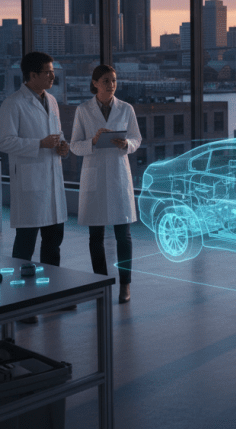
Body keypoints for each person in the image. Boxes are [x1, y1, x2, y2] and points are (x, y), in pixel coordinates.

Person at [0, 52, 69, 319]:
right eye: (48, 72)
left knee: (53, 242)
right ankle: (21, 303)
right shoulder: (13, 104)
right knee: (25, 246)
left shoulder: (52, 101)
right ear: (32, 75)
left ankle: (52, 297)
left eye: (52, 72)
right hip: (30, 182)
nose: (52, 76)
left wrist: (62, 147)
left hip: (51, 178)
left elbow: (56, 135)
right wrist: (39, 144)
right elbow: (4, 142)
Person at [70, 65, 142, 304]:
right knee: (96, 236)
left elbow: (137, 139)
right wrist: (94, 141)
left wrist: (126, 145)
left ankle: (125, 285)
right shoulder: (83, 110)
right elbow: (74, 146)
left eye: (114, 80)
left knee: (124, 236)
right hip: (95, 174)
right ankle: (100, 283)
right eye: (106, 80)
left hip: (118, 173)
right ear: (95, 83)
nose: (111, 84)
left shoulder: (126, 109)